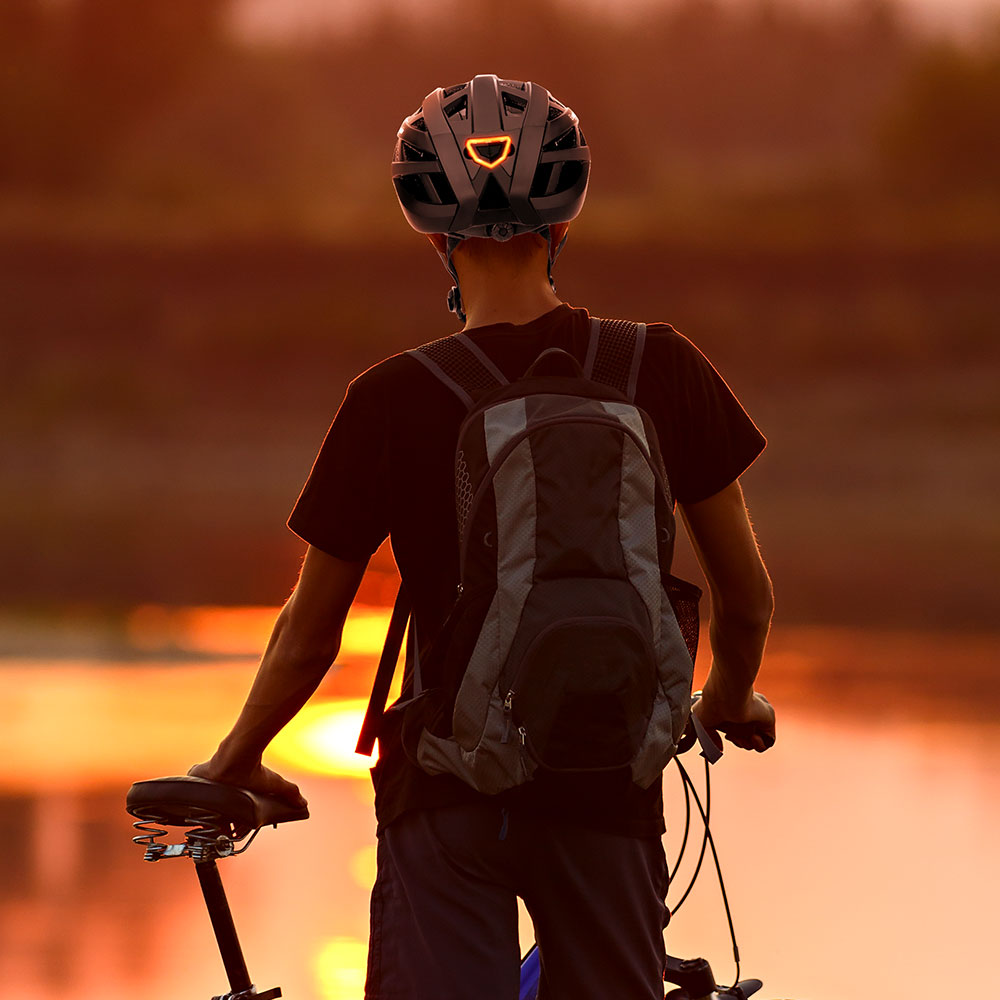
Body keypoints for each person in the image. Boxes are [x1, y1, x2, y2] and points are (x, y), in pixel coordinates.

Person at [189, 74, 775, 1000]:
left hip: (449, 795)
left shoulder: (389, 398)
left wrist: (235, 759)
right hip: (608, 788)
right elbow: (746, 601)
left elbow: (311, 631)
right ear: (565, 218)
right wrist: (728, 698)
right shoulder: (660, 366)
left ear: (431, 231)